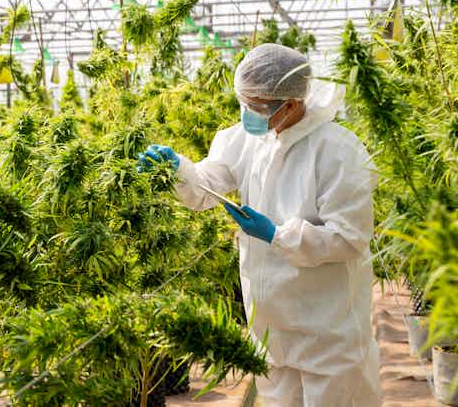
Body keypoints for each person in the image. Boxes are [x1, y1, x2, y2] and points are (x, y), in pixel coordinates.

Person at [138, 44, 382, 407]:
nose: (248, 113)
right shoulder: (245, 138)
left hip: (328, 333)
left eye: (257, 106)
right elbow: (205, 190)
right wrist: (177, 169)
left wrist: (277, 236)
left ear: (292, 103)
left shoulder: (337, 150)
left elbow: (349, 237)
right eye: (245, 102)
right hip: (271, 332)